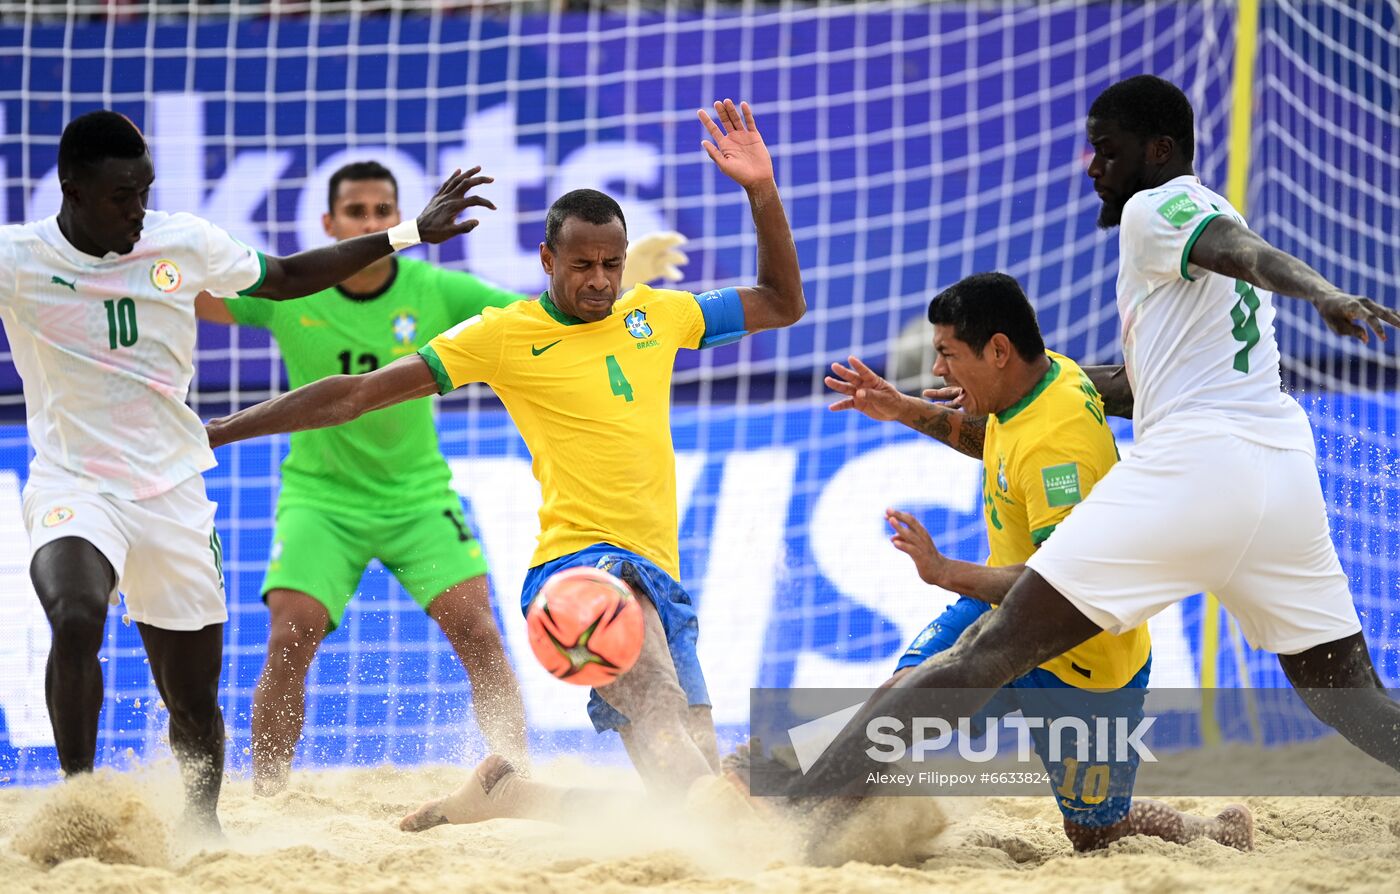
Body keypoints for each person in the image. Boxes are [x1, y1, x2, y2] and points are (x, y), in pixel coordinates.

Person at [791, 74, 1400, 811]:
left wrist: (1323, 292)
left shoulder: (1157, 206)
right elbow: (1144, 379)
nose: (1093, 168)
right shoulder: (1196, 232)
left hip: (1200, 467)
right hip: (1282, 474)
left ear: (1160, 149)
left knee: (987, 654)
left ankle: (795, 805)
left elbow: (1246, 250)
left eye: (1107, 152)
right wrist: (1033, 385)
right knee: (1352, 699)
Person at [202, 98, 804, 827]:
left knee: (690, 800)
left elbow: (781, 303)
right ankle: (270, 794)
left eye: (612, 265)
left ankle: (509, 794)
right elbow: (357, 394)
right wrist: (220, 431)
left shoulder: (659, 314)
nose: (600, 281)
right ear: (547, 260)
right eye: (582, 265)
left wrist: (761, 192)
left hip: (659, 575)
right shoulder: (503, 334)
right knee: (671, 728)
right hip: (581, 571)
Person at [0, 110, 493, 832]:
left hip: (174, 492)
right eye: (119, 197)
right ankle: (77, 802)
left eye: (145, 191)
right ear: (71, 189)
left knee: (193, 701)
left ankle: (203, 825)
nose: (137, 210)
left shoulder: (181, 241)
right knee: (74, 616)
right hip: (74, 484)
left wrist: (409, 232)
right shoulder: (17, 258)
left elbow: (290, 276)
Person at [195, 160, 689, 796]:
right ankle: (267, 794)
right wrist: (151, 268)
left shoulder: (435, 288)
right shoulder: (297, 294)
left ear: (397, 217)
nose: (370, 221)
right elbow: (202, 300)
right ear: (329, 223)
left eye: (382, 211)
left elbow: (546, 318)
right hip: (321, 498)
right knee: (290, 636)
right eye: (356, 212)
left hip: (418, 495)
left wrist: (632, 284)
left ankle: (515, 780)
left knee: (480, 632)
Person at [822, 272, 1250, 852]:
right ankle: (806, 809)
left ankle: (1212, 831)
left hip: (1079, 654)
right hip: (998, 610)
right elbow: (992, 438)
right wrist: (903, 409)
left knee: (1095, 834)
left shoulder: (1058, 447)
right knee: (900, 699)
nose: (939, 370)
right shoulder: (1039, 377)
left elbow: (1061, 586)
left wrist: (946, 571)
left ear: (998, 350)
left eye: (947, 353)